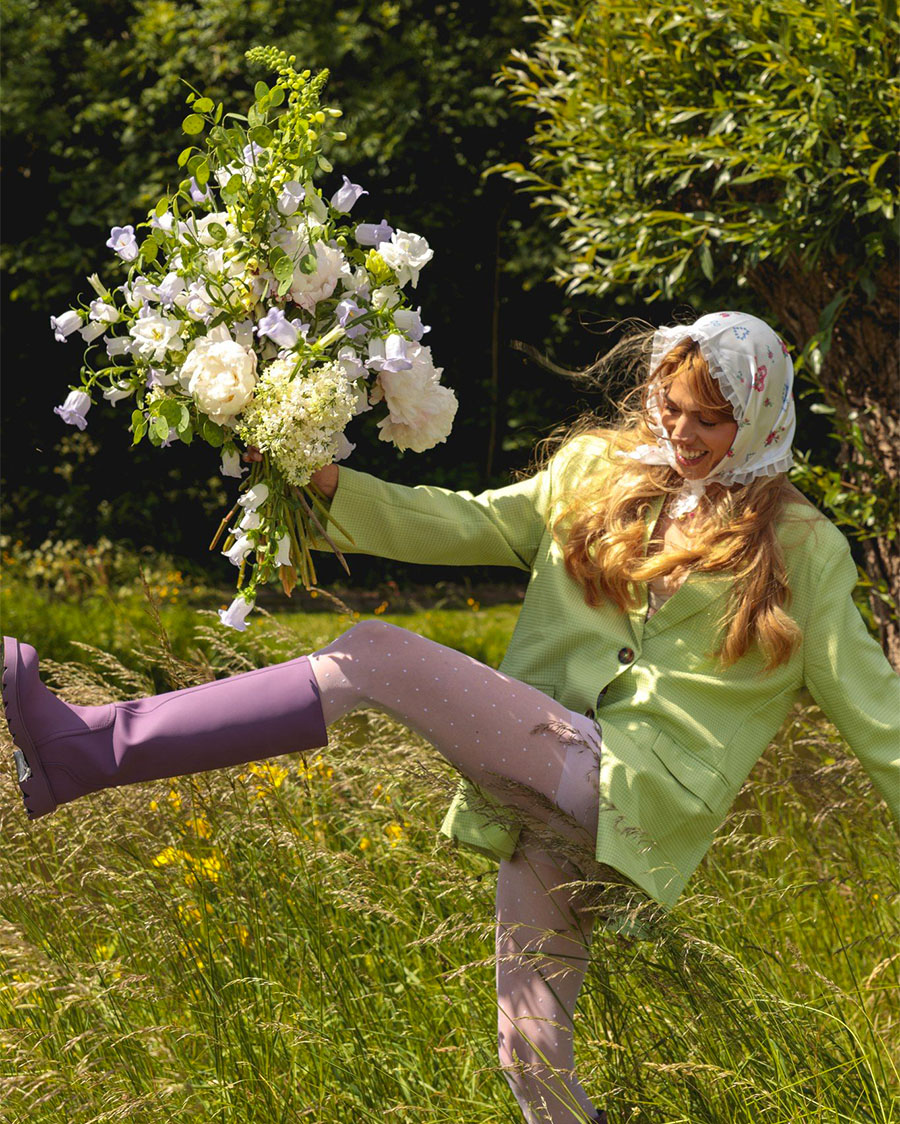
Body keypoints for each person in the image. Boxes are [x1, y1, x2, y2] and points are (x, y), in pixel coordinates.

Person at [3, 310, 898, 1124]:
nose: (682, 430)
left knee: (376, 655)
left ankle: (85, 747)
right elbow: (459, 526)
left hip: (635, 800)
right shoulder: (598, 475)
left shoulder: (802, 546)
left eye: (710, 417)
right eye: (670, 404)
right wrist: (320, 483)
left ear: (762, 413)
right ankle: (79, 751)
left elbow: (878, 719)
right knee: (531, 1057)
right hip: (551, 796)